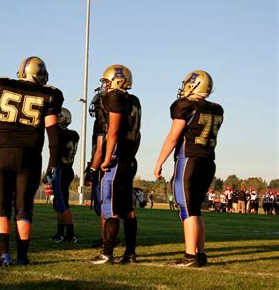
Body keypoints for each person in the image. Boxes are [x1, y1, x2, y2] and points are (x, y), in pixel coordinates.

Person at [0, 56, 63, 267]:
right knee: (24, 207)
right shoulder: (49, 95)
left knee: (1, 206)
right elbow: (54, 137)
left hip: (2, 153)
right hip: (29, 156)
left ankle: (4, 255)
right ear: (39, 74)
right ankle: (23, 257)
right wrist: (52, 164)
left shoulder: (1, 86)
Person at [154, 70, 224, 267]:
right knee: (196, 210)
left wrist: (159, 162)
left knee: (187, 210)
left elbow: (173, 137)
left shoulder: (185, 106)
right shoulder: (217, 108)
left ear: (193, 85)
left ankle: (190, 256)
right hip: (208, 161)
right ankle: (200, 254)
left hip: (189, 160)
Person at [88, 64, 141, 265]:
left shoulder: (115, 98)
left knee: (110, 206)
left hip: (117, 159)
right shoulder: (134, 100)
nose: (105, 85)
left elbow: (113, 132)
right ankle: (130, 253)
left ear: (117, 80)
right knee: (127, 208)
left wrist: (108, 157)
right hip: (129, 158)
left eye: (107, 81)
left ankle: (107, 253)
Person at [47, 107, 79, 243]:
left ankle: (70, 234)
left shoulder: (59, 133)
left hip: (60, 170)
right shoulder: (73, 134)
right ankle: (60, 233)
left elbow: (54, 152)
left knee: (62, 203)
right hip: (67, 169)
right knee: (58, 203)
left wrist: (49, 170)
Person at [85, 82, 108, 248]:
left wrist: (92, 170)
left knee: (103, 204)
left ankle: (107, 238)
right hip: (119, 162)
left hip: (103, 165)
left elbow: (99, 150)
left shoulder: (103, 122)